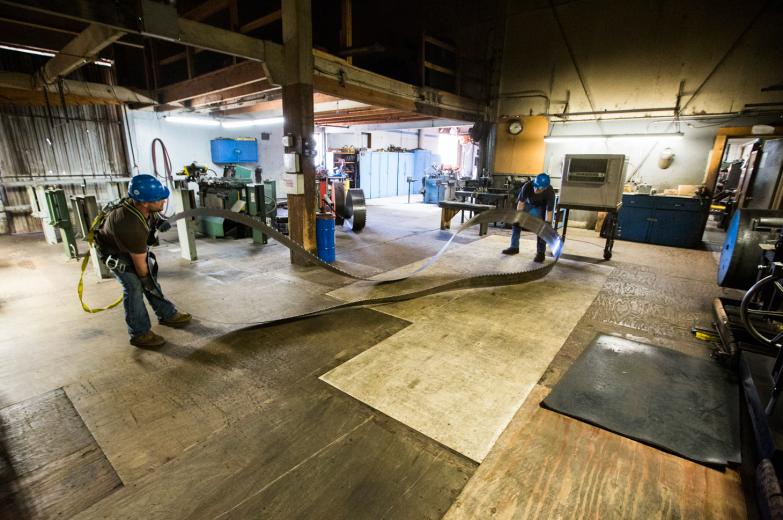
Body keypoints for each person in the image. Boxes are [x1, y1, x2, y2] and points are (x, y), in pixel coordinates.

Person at [94, 174, 191, 347]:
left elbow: (150, 217)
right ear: (145, 202)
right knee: (135, 286)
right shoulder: (130, 226)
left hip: (129, 246)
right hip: (116, 253)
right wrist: (146, 279)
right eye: (159, 199)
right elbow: (141, 267)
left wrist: (159, 221)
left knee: (149, 281)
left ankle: (166, 314)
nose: (164, 201)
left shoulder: (141, 205)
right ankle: (139, 333)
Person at [502, 173, 556, 262]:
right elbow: (521, 203)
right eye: (535, 186)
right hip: (528, 204)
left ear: (545, 188)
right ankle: (514, 247)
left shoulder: (550, 193)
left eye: (539, 188)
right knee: (516, 223)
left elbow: (549, 212)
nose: (535, 189)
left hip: (541, 207)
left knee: (542, 227)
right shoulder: (527, 186)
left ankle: (541, 253)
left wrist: (547, 225)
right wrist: (518, 217)